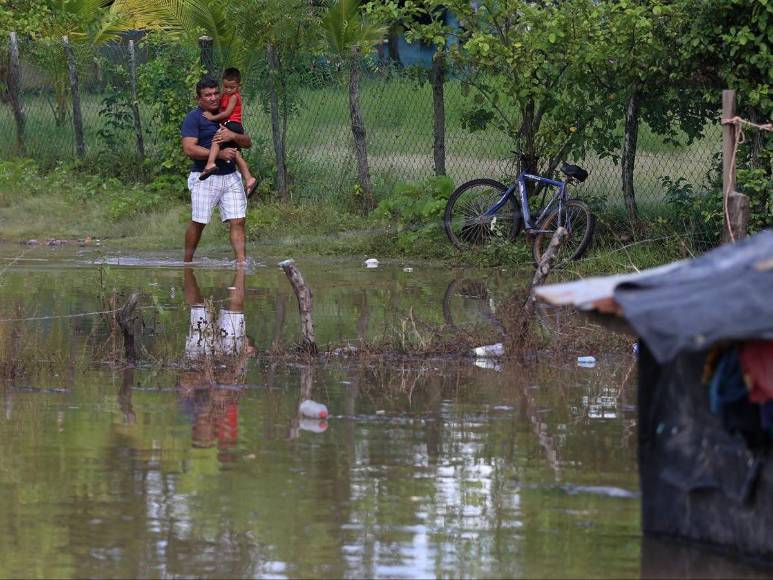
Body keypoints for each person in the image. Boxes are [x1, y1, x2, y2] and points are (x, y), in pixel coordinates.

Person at [181, 77, 252, 264]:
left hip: (231, 177)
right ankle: (187, 263)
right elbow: (189, 149)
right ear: (199, 99)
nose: (213, 98)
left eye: (215, 93)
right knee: (199, 222)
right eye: (207, 95)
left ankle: (241, 263)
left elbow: (247, 142)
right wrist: (219, 155)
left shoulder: (228, 115)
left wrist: (233, 135)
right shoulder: (193, 118)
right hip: (205, 176)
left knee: (238, 220)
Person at [198, 68, 258, 199]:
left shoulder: (234, 97)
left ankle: (210, 163)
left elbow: (226, 113)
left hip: (233, 124)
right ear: (222, 84)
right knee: (236, 154)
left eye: (232, 87)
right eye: (225, 87)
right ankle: (249, 179)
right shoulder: (224, 95)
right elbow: (217, 103)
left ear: (239, 86)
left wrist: (211, 117)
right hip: (230, 124)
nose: (229, 90)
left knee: (217, 139)